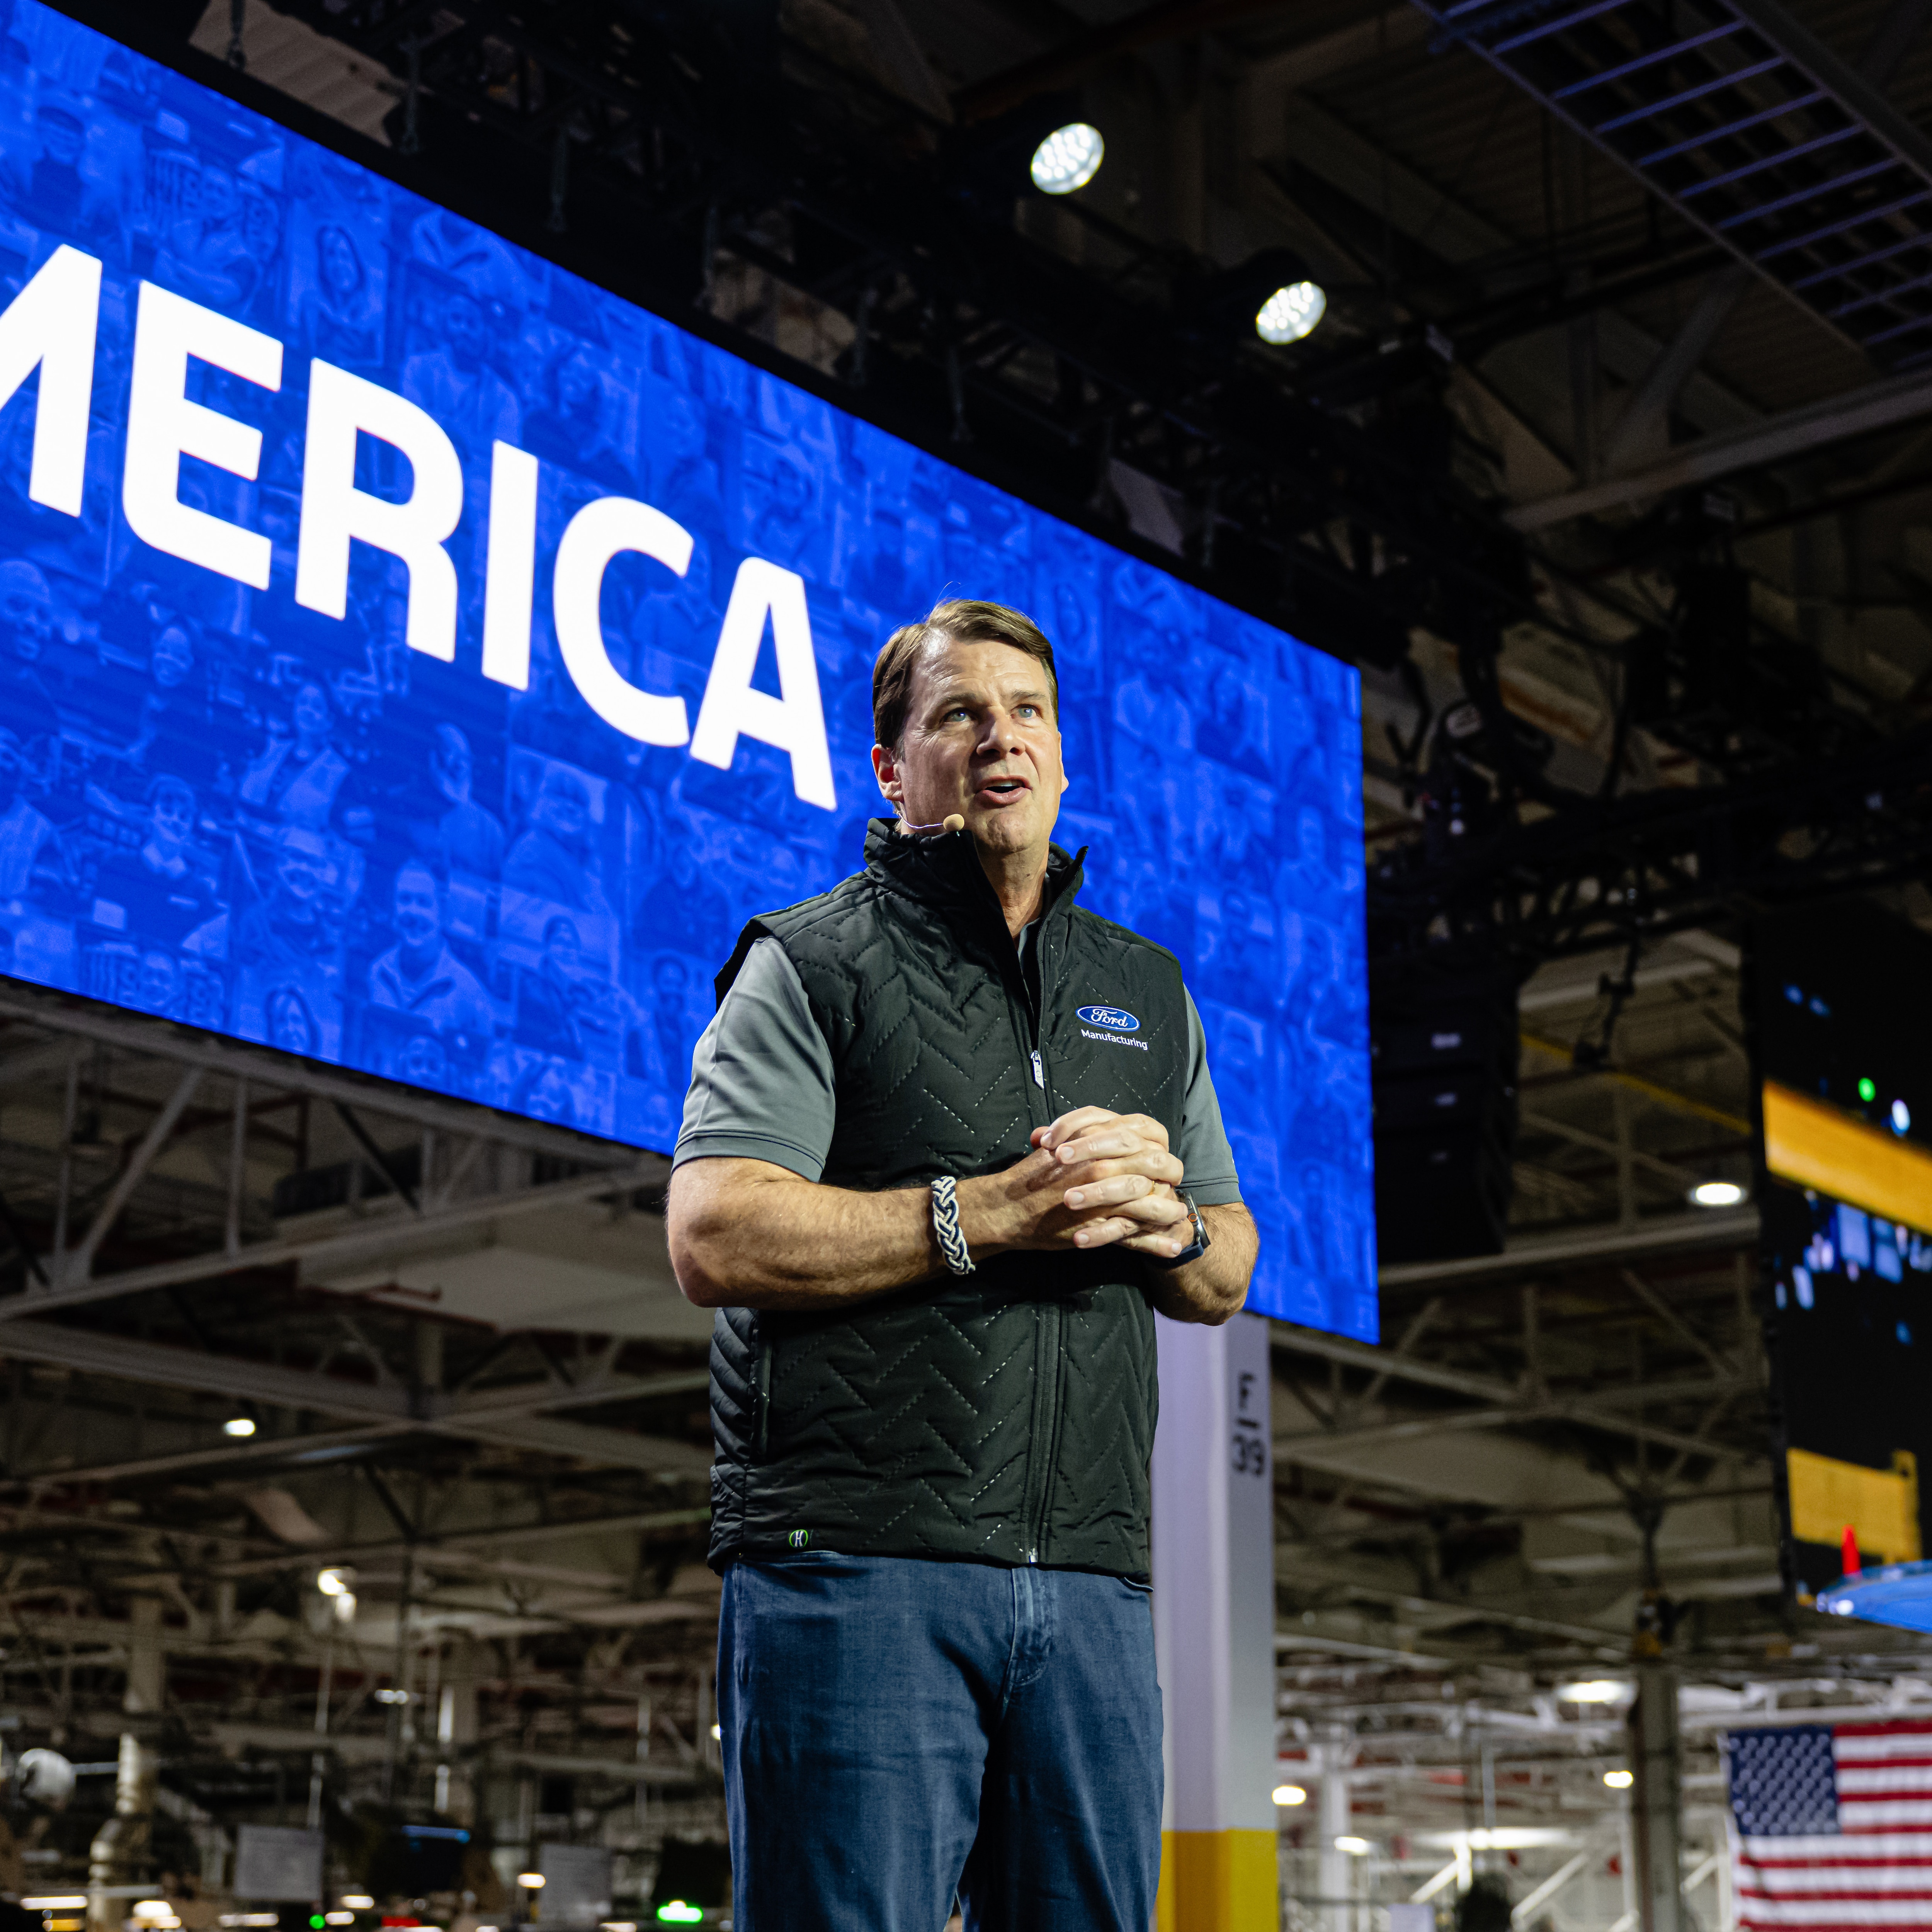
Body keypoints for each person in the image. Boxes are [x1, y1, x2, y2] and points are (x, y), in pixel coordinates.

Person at [666, 598, 1259, 1931]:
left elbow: (1225, 1262)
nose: (1003, 737)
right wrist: (991, 1213)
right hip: (854, 1564)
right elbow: (714, 1229)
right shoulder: (809, 960)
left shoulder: (1146, 989)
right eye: (961, 714)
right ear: (892, 767)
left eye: (1027, 711)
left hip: (1095, 1582)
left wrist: (1160, 1219)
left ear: (1062, 755)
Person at [367, 859, 496, 1053]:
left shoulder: (470, 994)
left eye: (424, 902)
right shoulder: (377, 972)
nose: (413, 912)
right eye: (405, 899)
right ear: (393, 909)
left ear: (441, 914)